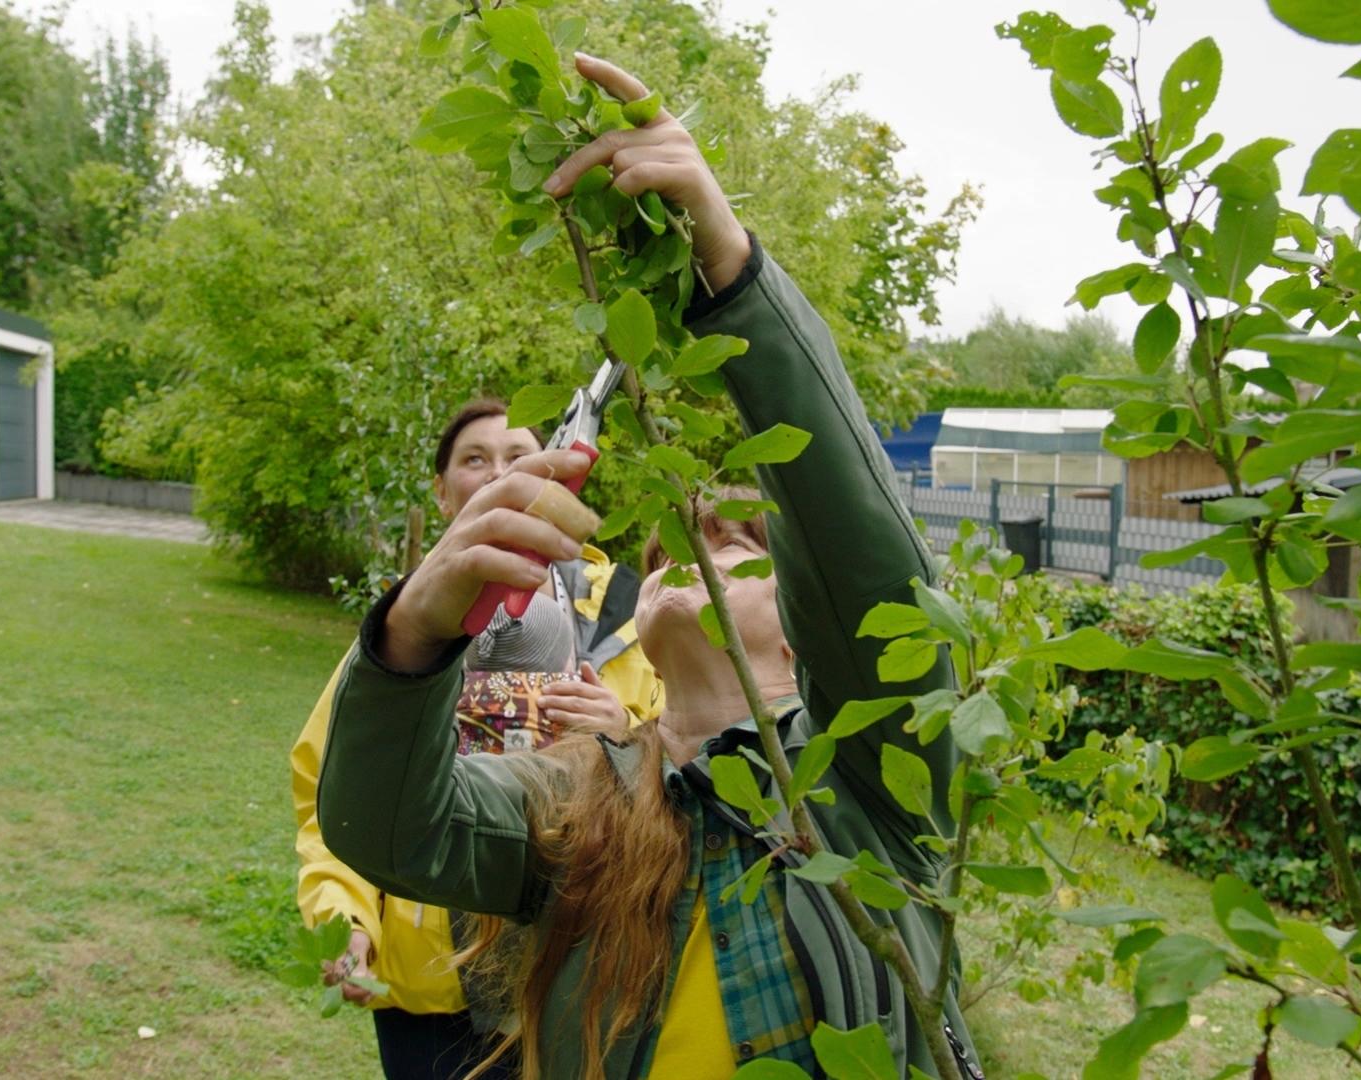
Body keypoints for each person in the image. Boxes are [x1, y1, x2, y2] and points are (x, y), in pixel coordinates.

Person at [314, 52, 984, 1080]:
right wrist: (411, 636)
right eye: (684, 551)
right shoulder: (586, 799)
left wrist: (733, 273)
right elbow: (387, 825)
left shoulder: (874, 782)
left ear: (811, 633)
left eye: (743, 544)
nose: (703, 555)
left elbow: (864, 554)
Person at [290, 398, 663, 1080]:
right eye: (474, 459)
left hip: (578, 973)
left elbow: (682, 776)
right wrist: (345, 916)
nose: (498, 473)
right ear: (441, 491)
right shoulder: (405, 632)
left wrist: (624, 736)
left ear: (556, 474)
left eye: (518, 457)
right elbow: (337, 787)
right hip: (431, 989)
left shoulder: (631, 615)